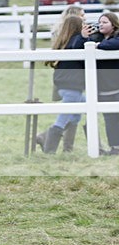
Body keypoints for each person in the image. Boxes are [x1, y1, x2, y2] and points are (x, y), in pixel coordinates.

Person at [35, 15, 91, 154]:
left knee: (77, 114)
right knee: (63, 118)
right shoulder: (74, 41)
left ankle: (52, 141)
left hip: (66, 85)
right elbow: (76, 45)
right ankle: (49, 148)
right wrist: (83, 37)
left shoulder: (64, 41)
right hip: (71, 86)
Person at [93, 12, 119, 155]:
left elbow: (114, 44)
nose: (101, 25)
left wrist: (99, 45)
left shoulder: (115, 38)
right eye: (100, 22)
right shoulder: (95, 37)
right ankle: (114, 147)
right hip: (102, 87)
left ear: (113, 24)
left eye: (105, 22)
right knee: (109, 119)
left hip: (116, 86)